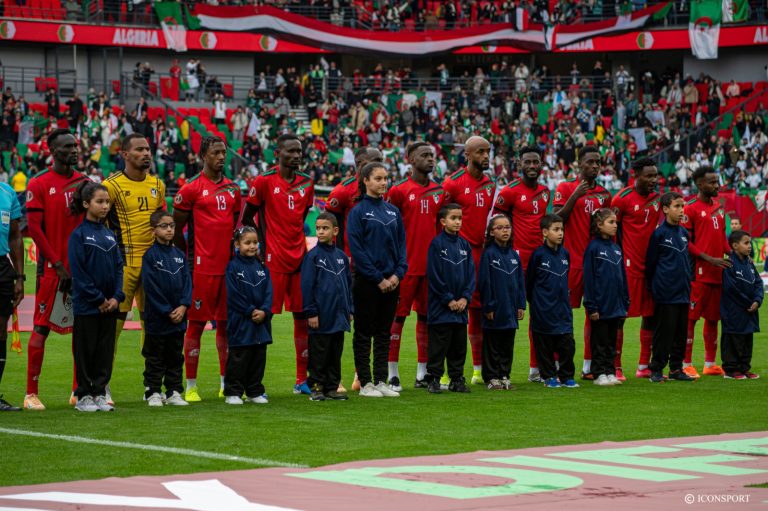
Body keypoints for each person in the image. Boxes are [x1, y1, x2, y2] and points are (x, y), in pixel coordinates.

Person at [242, 134, 315, 396]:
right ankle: (253, 384)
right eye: (291, 151)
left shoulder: (307, 182)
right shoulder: (264, 181)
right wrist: (261, 245)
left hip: (300, 259)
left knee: (302, 318)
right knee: (263, 318)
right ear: (277, 154)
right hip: (272, 261)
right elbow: (247, 217)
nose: (296, 156)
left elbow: (301, 218)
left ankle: (301, 380)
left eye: (299, 151)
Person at [23, 129, 89, 410]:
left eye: (75, 146)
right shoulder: (39, 183)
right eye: (67, 147)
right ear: (53, 151)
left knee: (82, 330)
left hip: (81, 271)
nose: (74, 150)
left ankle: (78, 390)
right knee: (41, 328)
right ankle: (31, 393)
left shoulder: (85, 183)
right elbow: (35, 229)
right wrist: (57, 264)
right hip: (52, 271)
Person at [173, 137, 241, 401]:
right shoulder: (191, 189)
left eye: (224, 152)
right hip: (201, 270)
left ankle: (226, 383)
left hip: (228, 271)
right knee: (196, 326)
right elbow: (177, 230)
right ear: (203, 155)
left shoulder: (234, 189)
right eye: (216, 153)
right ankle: (191, 386)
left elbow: (234, 227)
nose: (221, 157)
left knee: (226, 327)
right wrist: (189, 260)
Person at [104, 133, 166, 404]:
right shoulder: (111, 186)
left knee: (151, 327)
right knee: (113, 328)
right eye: (139, 149)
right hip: (123, 264)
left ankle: (152, 387)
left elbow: (162, 223)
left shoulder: (158, 185)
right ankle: (102, 386)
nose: (146, 153)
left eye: (148, 149)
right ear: (125, 154)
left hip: (153, 266)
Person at [386, 142, 448, 390]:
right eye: (424, 155)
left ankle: (422, 373)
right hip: (404, 268)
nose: (430, 159)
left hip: (430, 268)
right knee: (397, 319)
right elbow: (389, 230)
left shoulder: (439, 191)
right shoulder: (398, 190)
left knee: (426, 318)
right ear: (411, 159)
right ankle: (392, 373)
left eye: (432, 155)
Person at [347, 161, 407, 398]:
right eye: (378, 178)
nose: (383, 183)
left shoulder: (393, 212)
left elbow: (401, 247)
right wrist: (378, 278)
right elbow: (357, 250)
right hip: (367, 282)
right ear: (365, 181)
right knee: (363, 333)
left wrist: (397, 274)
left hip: (392, 282)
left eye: (385, 178)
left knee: (383, 333)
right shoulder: (358, 212)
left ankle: (381, 380)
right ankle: (365, 383)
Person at [553, 145, 611, 380]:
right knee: (562, 315)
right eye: (590, 162)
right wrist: (575, 196)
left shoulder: (604, 194)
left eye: (598, 162)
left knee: (595, 316)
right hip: (571, 262)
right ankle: (557, 366)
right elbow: (556, 219)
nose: (595, 166)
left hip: (597, 264)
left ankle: (589, 366)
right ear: (579, 164)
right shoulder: (565, 188)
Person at [441, 136, 495, 386]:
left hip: (481, 255)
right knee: (452, 312)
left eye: (488, 151)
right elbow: (440, 218)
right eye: (480, 152)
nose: (485, 156)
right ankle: (445, 371)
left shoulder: (490, 185)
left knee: (477, 311)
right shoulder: (452, 183)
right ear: (468, 154)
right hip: (456, 255)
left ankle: (477, 370)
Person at [493, 146, 549, 383]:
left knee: (540, 316)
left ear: (541, 164)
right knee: (507, 316)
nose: (532, 166)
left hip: (540, 262)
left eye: (536, 162)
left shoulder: (545, 192)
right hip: (514, 263)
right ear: (519, 164)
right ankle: (498, 371)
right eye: (528, 162)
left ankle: (536, 369)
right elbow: (497, 222)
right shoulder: (509, 191)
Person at [68, 181, 125, 412]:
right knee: (86, 351)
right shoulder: (79, 235)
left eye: (107, 202)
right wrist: (99, 299)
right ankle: (83, 395)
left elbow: (119, 267)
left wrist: (116, 297)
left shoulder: (110, 235)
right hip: (88, 306)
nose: (105, 206)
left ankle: (100, 393)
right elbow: (79, 274)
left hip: (110, 306)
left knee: (104, 352)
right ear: (86, 204)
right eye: (99, 202)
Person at [610, 158, 660, 380]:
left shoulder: (657, 199)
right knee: (620, 316)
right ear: (636, 175)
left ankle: (643, 366)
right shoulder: (621, 199)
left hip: (652, 268)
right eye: (648, 176)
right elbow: (612, 230)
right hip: (628, 267)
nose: (653, 180)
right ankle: (616, 366)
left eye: (655, 176)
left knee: (651, 315)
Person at [682, 166, 733, 379]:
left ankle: (710, 363)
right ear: (699, 184)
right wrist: (708, 258)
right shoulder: (690, 209)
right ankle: (686, 364)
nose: (716, 185)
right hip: (698, 273)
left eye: (716, 181)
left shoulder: (719, 208)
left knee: (713, 318)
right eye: (712, 182)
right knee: (691, 319)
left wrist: (734, 254)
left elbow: (721, 238)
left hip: (717, 272)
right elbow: (686, 242)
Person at [141, 210, 192, 407]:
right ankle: (153, 391)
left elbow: (187, 283)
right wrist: (166, 310)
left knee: (175, 357)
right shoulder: (150, 256)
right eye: (164, 226)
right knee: (155, 357)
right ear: (153, 230)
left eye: (171, 226)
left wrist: (184, 306)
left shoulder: (179, 255)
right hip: (158, 318)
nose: (169, 229)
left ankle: (174, 391)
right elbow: (150, 287)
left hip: (179, 317)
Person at [300, 213, 353, 401]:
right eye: (318, 228)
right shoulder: (312, 256)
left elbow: (348, 285)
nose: (321, 232)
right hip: (321, 315)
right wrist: (311, 312)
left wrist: (350, 309)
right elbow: (307, 286)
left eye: (325, 228)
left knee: (335, 353)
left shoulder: (341, 257)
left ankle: (332, 387)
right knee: (319, 354)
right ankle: (316, 387)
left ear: (335, 231)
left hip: (339, 316)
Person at [645, 192, 696, 383]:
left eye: (683, 206)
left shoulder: (684, 233)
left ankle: (676, 369)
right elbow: (650, 264)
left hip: (683, 292)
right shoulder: (659, 234)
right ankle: (656, 369)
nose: (681, 210)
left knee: (680, 334)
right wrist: (656, 287)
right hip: (665, 292)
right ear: (665, 209)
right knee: (663, 333)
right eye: (677, 206)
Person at [425, 204, 475, 394]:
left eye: (460, 218)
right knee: (438, 345)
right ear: (443, 221)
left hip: (461, 308)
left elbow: (471, 275)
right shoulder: (437, 244)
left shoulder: (465, 245)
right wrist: (448, 299)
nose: (457, 222)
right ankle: (434, 379)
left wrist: (465, 298)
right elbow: (434, 275)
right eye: (453, 218)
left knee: (458, 346)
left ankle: (457, 379)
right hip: (441, 308)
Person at [526, 214, 578, 389]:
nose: (560, 233)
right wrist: (537, 303)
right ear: (545, 232)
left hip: (563, 309)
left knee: (567, 345)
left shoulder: (565, 254)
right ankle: (548, 376)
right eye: (556, 229)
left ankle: (567, 376)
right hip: (543, 309)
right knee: (544, 345)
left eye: (562, 229)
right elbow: (529, 283)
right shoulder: (538, 255)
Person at [223, 226, 273, 405]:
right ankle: (233, 392)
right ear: (237, 244)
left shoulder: (262, 268)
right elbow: (233, 295)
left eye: (255, 242)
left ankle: (254, 391)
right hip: (241, 322)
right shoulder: (233, 267)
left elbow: (269, 293)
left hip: (261, 323)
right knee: (239, 357)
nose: (252, 246)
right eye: (247, 243)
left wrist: (264, 311)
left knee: (258, 357)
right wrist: (251, 310)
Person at [478, 214, 525, 390]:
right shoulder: (488, 254)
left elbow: (520, 282)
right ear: (491, 232)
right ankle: (491, 377)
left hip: (510, 309)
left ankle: (504, 375)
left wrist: (520, 304)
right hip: (495, 308)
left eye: (507, 227)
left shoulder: (514, 255)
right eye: (500, 228)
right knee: (492, 343)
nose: (505, 231)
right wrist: (489, 306)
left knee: (507, 343)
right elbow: (485, 282)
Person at [583, 208, 629, 386]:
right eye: (611, 222)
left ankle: (610, 371)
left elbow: (622, 277)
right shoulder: (593, 248)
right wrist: (591, 306)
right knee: (599, 341)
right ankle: (598, 373)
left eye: (616, 222)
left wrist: (625, 302)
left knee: (611, 342)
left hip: (616, 305)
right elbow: (589, 279)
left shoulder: (616, 248)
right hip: (600, 306)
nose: (615, 225)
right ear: (599, 224)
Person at [326, 146, 384, 256]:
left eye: (381, 161)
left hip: (379, 258)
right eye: (376, 161)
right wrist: (340, 256)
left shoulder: (384, 189)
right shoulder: (342, 191)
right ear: (360, 163)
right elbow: (331, 226)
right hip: (352, 259)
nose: (380, 165)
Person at [720, 230, 762, 380]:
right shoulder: (729, 264)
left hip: (749, 310)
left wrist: (757, 300)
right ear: (735, 246)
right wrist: (748, 302)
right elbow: (731, 289)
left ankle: (744, 368)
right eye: (746, 243)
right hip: (733, 311)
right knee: (733, 339)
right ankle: (731, 370)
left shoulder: (750, 264)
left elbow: (758, 283)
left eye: (750, 242)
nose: (749, 246)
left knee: (746, 339)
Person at [0, 175, 25, 411]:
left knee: (1, 330)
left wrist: (20, 277)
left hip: (2, 267)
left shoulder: (7, 192)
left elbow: (16, 235)